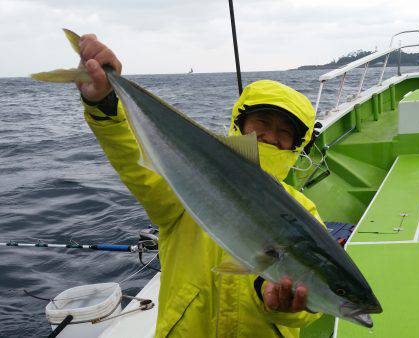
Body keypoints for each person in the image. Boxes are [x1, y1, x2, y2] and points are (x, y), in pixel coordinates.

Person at [77, 34, 324, 337]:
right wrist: (103, 102)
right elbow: (133, 159)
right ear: (240, 126)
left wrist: (284, 305)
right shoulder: (185, 185)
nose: (271, 137)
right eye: (262, 123)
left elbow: (312, 304)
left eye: (285, 131)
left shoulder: (303, 209)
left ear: (297, 146)